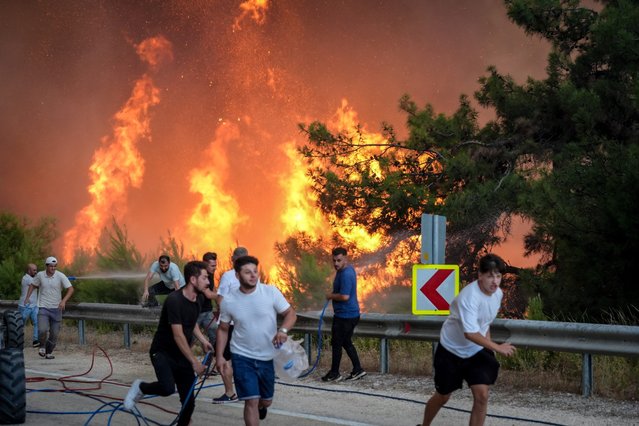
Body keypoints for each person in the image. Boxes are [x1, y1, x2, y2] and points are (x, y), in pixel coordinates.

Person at [417, 254, 517, 426]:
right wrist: (497, 348)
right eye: (490, 276)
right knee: (443, 396)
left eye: (498, 276)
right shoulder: (469, 297)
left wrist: (489, 350)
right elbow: (469, 333)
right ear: (480, 275)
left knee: (482, 396)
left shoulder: (497, 294)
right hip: (451, 350)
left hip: (476, 351)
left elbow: (485, 323)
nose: (495, 281)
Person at [124, 261, 214, 426]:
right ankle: (141, 387)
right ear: (193, 280)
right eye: (205, 278)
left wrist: (203, 340)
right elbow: (178, 335)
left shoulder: (199, 299)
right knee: (167, 388)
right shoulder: (174, 300)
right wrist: (195, 362)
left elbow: (191, 322)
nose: (208, 282)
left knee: (188, 404)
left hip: (182, 355)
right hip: (162, 352)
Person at [215, 255, 296, 425]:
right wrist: (220, 356)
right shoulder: (228, 300)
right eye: (247, 272)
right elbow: (223, 329)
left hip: (267, 357)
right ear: (237, 276)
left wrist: (282, 330)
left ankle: (262, 406)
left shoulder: (270, 292)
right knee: (250, 400)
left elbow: (290, 314)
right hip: (241, 356)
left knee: (265, 400)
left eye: (255, 271)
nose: (253, 275)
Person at [322, 247, 366, 382]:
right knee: (345, 342)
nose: (336, 263)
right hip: (347, 314)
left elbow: (345, 296)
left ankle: (335, 373)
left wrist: (330, 296)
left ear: (346, 258)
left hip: (346, 316)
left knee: (336, 343)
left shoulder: (346, 273)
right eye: (334, 260)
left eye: (339, 260)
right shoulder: (343, 270)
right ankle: (358, 370)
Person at [211, 246, 248, 403]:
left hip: (235, 325)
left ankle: (232, 392)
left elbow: (220, 298)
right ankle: (235, 392)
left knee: (227, 360)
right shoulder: (230, 277)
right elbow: (220, 298)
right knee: (228, 359)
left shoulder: (246, 276)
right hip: (231, 324)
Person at [24, 256, 74, 359]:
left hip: (56, 309)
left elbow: (71, 289)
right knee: (42, 329)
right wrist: (27, 298)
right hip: (43, 308)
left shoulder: (60, 276)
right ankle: (42, 346)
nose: (53, 268)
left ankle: (49, 352)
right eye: (51, 266)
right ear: (46, 266)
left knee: (54, 334)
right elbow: (32, 285)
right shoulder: (40, 275)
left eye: (55, 266)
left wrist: (63, 301)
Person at [198, 252, 219, 351]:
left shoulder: (210, 273)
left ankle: (211, 355)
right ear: (205, 264)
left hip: (208, 312)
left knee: (215, 335)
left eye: (216, 265)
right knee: (190, 338)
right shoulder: (200, 275)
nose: (215, 268)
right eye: (212, 266)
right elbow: (208, 294)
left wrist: (219, 304)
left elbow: (213, 289)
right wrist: (225, 296)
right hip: (196, 312)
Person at [18, 263, 39, 347]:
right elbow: (37, 285)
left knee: (37, 322)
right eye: (34, 270)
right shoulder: (26, 278)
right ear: (29, 271)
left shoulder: (32, 278)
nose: (36, 272)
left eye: (36, 270)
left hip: (34, 306)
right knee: (20, 324)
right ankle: (18, 341)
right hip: (24, 306)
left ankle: (35, 340)